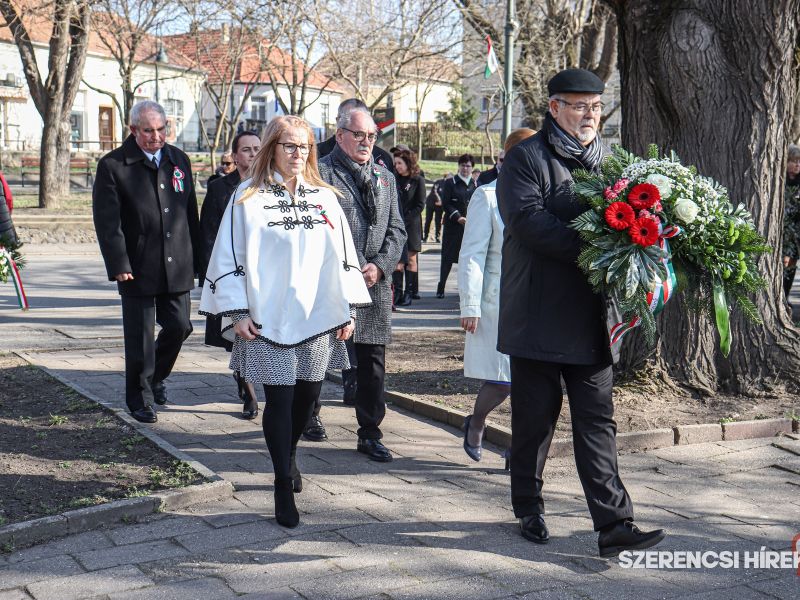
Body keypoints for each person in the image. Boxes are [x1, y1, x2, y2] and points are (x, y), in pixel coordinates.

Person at [496, 68, 666, 557]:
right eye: (579, 106)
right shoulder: (526, 159)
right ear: (554, 108)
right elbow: (529, 223)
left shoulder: (605, 163)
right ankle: (528, 504)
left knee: (598, 420)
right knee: (535, 421)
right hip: (537, 316)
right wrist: (604, 245)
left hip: (591, 318)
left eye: (596, 107)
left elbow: (631, 216)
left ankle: (614, 525)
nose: (590, 115)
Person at [199, 115, 371, 528]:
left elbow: (341, 255)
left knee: (308, 399)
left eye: (305, 146)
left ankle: (289, 454)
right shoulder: (247, 197)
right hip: (266, 319)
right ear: (272, 148)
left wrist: (346, 308)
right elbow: (229, 254)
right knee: (278, 400)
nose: (298, 154)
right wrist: (237, 312)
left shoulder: (325, 198)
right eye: (289, 146)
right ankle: (280, 480)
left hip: (315, 316)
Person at [93, 100, 200, 424]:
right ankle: (139, 398)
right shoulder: (114, 165)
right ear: (133, 130)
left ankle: (154, 378)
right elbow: (107, 222)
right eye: (149, 131)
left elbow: (189, 211)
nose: (156, 137)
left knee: (180, 326)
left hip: (177, 260)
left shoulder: (177, 159)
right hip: (137, 264)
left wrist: (198, 260)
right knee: (139, 337)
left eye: (161, 129)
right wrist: (118, 262)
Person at [317, 105, 406, 462]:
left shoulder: (384, 177)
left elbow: (397, 228)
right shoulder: (322, 173)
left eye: (371, 135)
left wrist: (381, 267)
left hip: (374, 285)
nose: (367, 141)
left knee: (372, 366)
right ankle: (309, 416)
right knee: (318, 357)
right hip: (332, 284)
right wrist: (349, 268)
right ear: (340, 135)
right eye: (359, 134)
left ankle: (370, 432)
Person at [458, 128, 535, 462]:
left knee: (532, 384)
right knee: (503, 380)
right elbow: (472, 254)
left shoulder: (541, 194)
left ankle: (518, 451)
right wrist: (470, 304)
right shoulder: (487, 196)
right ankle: (476, 421)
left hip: (537, 301)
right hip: (498, 301)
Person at [199, 130, 261, 419]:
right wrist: (215, 280)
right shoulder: (220, 189)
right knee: (239, 336)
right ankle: (248, 395)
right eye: (246, 150)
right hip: (233, 274)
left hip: (263, 276)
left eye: (257, 148)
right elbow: (209, 235)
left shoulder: (273, 185)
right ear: (234, 156)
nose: (252, 154)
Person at [317, 98, 394, 174]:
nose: (366, 142)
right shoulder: (317, 154)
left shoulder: (382, 158)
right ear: (338, 121)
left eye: (362, 117)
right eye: (358, 134)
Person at [437, 155, 476, 298]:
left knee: (467, 260)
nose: (465, 168)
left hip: (469, 228)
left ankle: (464, 290)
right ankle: (441, 287)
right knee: (447, 258)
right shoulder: (450, 183)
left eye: (468, 166)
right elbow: (446, 203)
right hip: (453, 227)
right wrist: (457, 216)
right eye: (463, 165)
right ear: (458, 166)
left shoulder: (475, 184)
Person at [391, 149, 426, 306]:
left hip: (411, 225)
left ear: (408, 163)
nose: (397, 166)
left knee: (411, 259)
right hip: (396, 224)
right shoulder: (394, 179)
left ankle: (409, 293)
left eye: (400, 163)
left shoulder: (418, 180)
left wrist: (406, 219)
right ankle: (397, 292)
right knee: (398, 260)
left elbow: (420, 204)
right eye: (395, 163)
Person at [783, 144, 800, 299]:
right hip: (784, 230)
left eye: (799, 162)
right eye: (794, 161)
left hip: (796, 231)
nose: (797, 165)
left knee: (792, 265)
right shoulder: (781, 181)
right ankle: (780, 297)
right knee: (784, 263)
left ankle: (785, 298)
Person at [423, 173, 448, 243]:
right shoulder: (439, 182)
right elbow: (434, 190)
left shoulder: (451, 185)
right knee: (428, 220)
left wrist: (442, 202)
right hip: (431, 203)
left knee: (438, 221)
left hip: (440, 206)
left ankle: (437, 237)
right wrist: (439, 199)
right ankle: (425, 236)